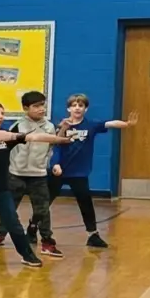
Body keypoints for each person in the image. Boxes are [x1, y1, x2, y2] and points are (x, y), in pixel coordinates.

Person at [0, 102, 67, 267]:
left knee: (13, 222)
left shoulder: (7, 136)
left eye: (2, 112)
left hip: (0, 190)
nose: (0, 115)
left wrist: (61, 139)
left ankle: (27, 255)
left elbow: (34, 137)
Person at [48, 94, 134, 249]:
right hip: (58, 170)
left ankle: (93, 234)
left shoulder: (90, 125)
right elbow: (55, 146)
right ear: (68, 108)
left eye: (81, 105)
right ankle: (32, 229)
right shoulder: (61, 126)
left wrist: (127, 124)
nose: (77, 108)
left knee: (85, 203)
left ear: (85, 109)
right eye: (74, 105)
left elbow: (109, 123)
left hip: (79, 173)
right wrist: (55, 164)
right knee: (45, 202)